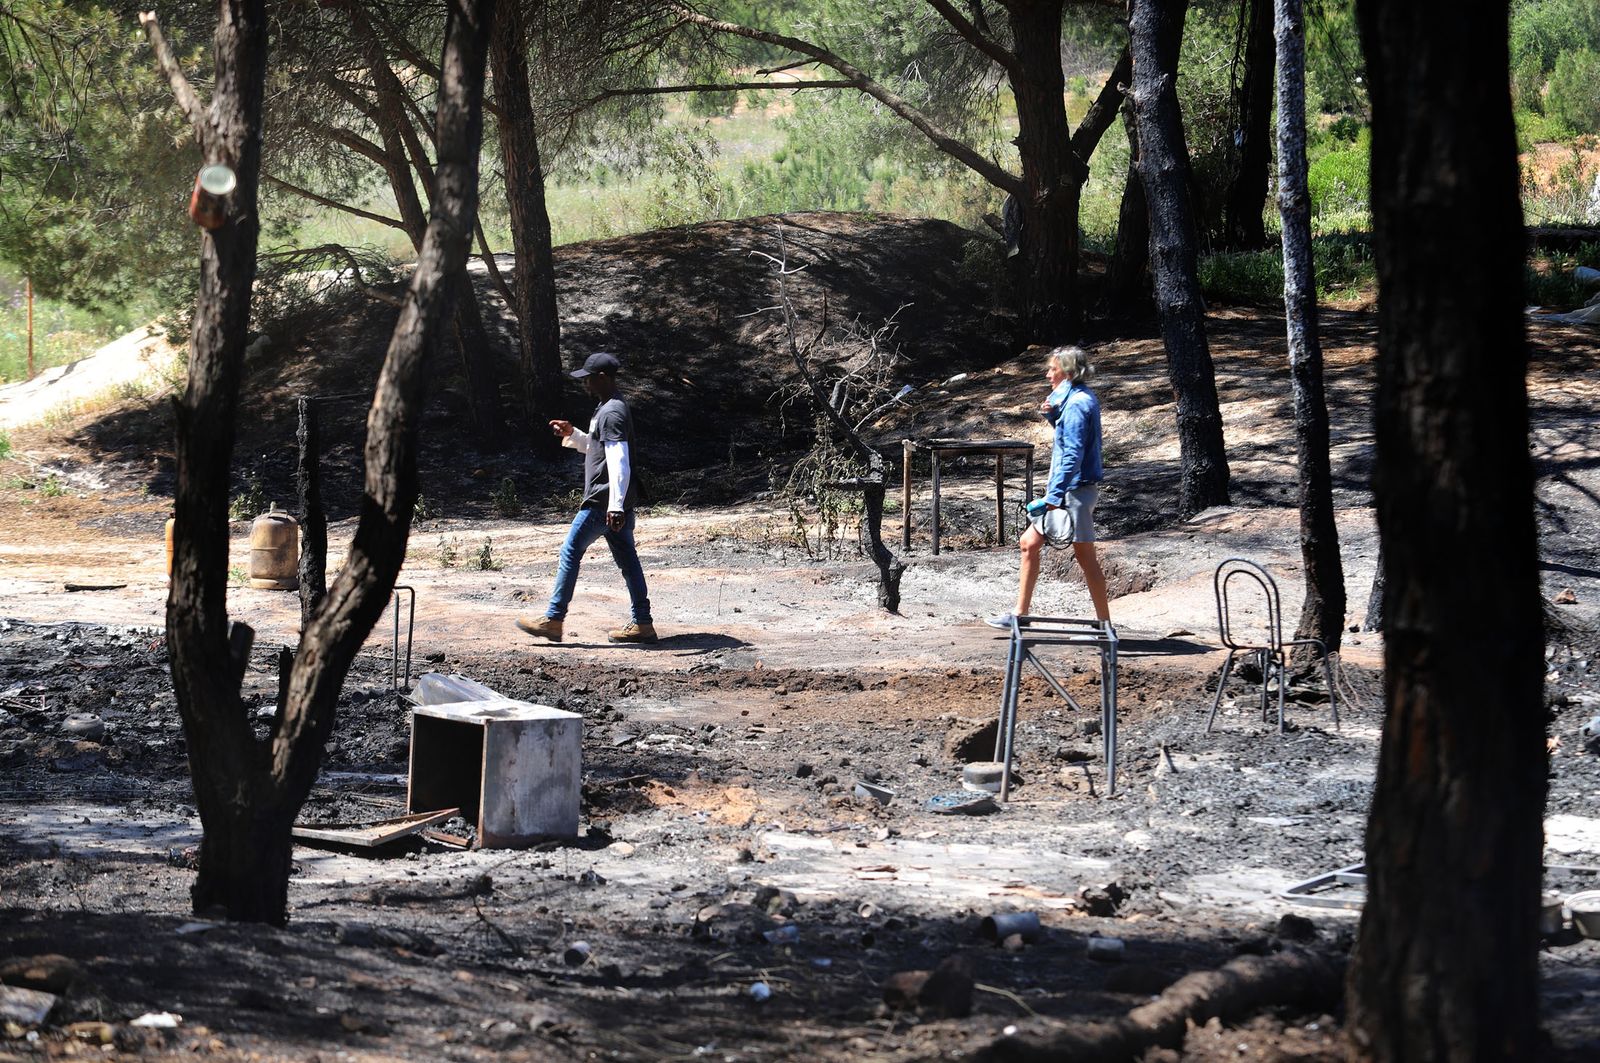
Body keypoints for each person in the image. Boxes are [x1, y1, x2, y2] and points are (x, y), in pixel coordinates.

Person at [515, 351, 656, 644]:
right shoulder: (607, 407)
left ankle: (554, 620)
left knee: (570, 551)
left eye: (589, 379)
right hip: (615, 503)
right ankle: (643, 624)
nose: (585, 384)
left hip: (603, 501)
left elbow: (619, 460)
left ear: (602, 378)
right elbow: (597, 449)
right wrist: (573, 434)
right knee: (628, 561)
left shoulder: (612, 411)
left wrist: (615, 506)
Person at [986, 345, 1111, 628]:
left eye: (1052, 369)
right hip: (1069, 490)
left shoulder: (1078, 403)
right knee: (1029, 543)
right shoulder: (1073, 401)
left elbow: (1073, 455)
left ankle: (1104, 625)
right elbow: (1072, 440)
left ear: (1067, 372)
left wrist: (1054, 496)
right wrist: (1054, 417)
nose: (1047, 375)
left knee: (1085, 557)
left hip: (1075, 492)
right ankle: (1020, 616)